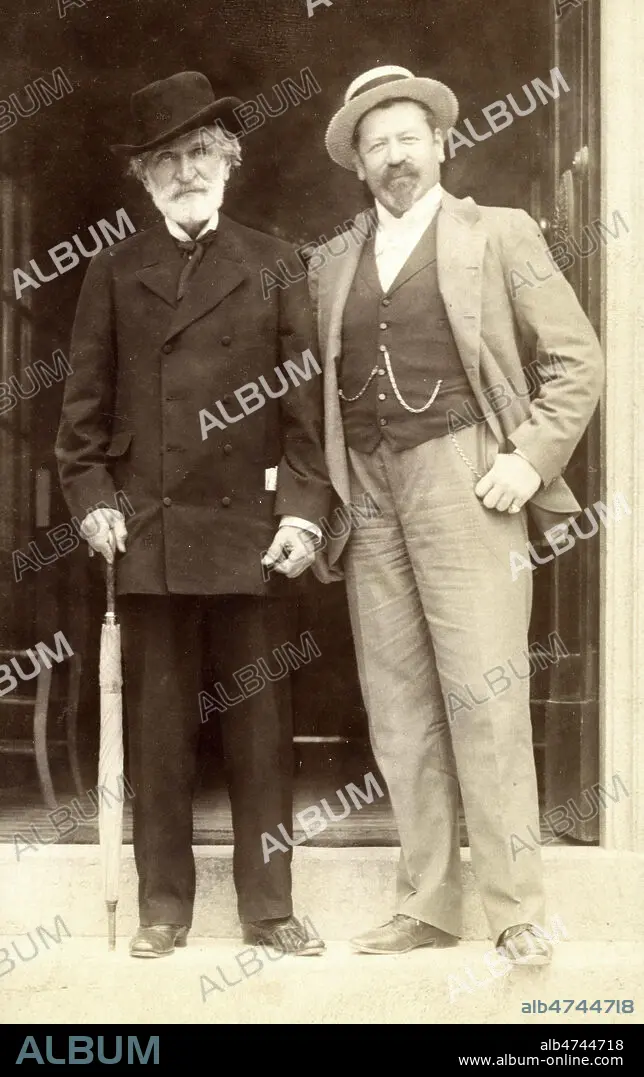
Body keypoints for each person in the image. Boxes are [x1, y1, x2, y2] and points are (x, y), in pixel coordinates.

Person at [309, 65, 603, 962]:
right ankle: (428, 904)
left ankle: (517, 911)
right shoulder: (330, 261)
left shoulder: (501, 232)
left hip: (466, 475)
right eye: (377, 145)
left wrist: (528, 456)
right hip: (368, 490)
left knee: (487, 694)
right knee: (398, 706)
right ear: (358, 163)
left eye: (409, 137)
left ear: (441, 142)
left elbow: (577, 360)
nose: (395, 156)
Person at [56, 71, 330, 958]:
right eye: (168, 160)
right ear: (144, 177)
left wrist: (303, 516)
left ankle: (269, 908)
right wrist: (93, 504)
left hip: (252, 533)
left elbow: (307, 419)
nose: (187, 172)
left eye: (202, 154)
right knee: (159, 732)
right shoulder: (111, 270)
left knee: (262, 732)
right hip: (150, 533)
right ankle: (163, 908)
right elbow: (80, 426)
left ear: (230, 162)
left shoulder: (278, 260)